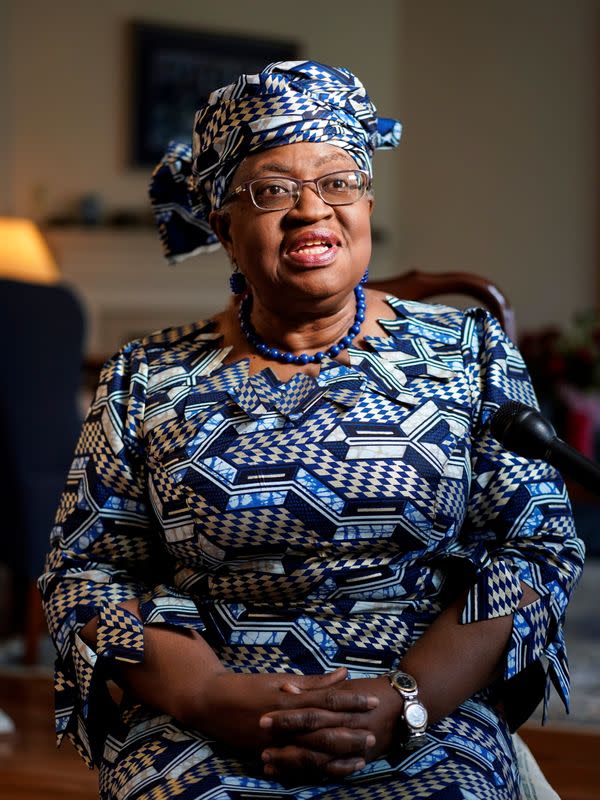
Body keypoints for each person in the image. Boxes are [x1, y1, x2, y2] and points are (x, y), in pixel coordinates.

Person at [39, 60, 584, 800]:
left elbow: (537, 547)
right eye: (272, 190)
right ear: (225, 228)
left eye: (338, 182)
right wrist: (207, 696)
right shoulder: (146, 376)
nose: (311, 210)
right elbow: (87, 571)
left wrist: (405, 699)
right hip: (202, 710)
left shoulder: (470, 350)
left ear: (363, 203)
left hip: (425, 703)